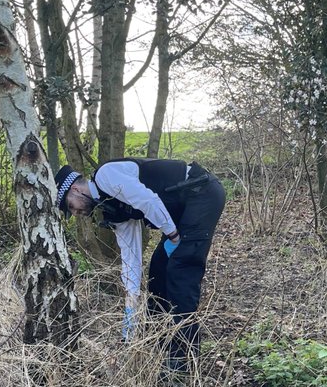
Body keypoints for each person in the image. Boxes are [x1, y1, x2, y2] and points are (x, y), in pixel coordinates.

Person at [54, 157, 225, 371]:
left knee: (180, 271)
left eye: (72, 206)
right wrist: (131, 306)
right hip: (182, 211)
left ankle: (182, 362)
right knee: (157, 273)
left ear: (76, 189)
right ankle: (157, 345)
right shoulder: (112, 209)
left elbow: (148, 200)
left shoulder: (106, 175)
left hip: (202, 193)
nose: (77, 214)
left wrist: (172, 235)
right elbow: (131, 256)